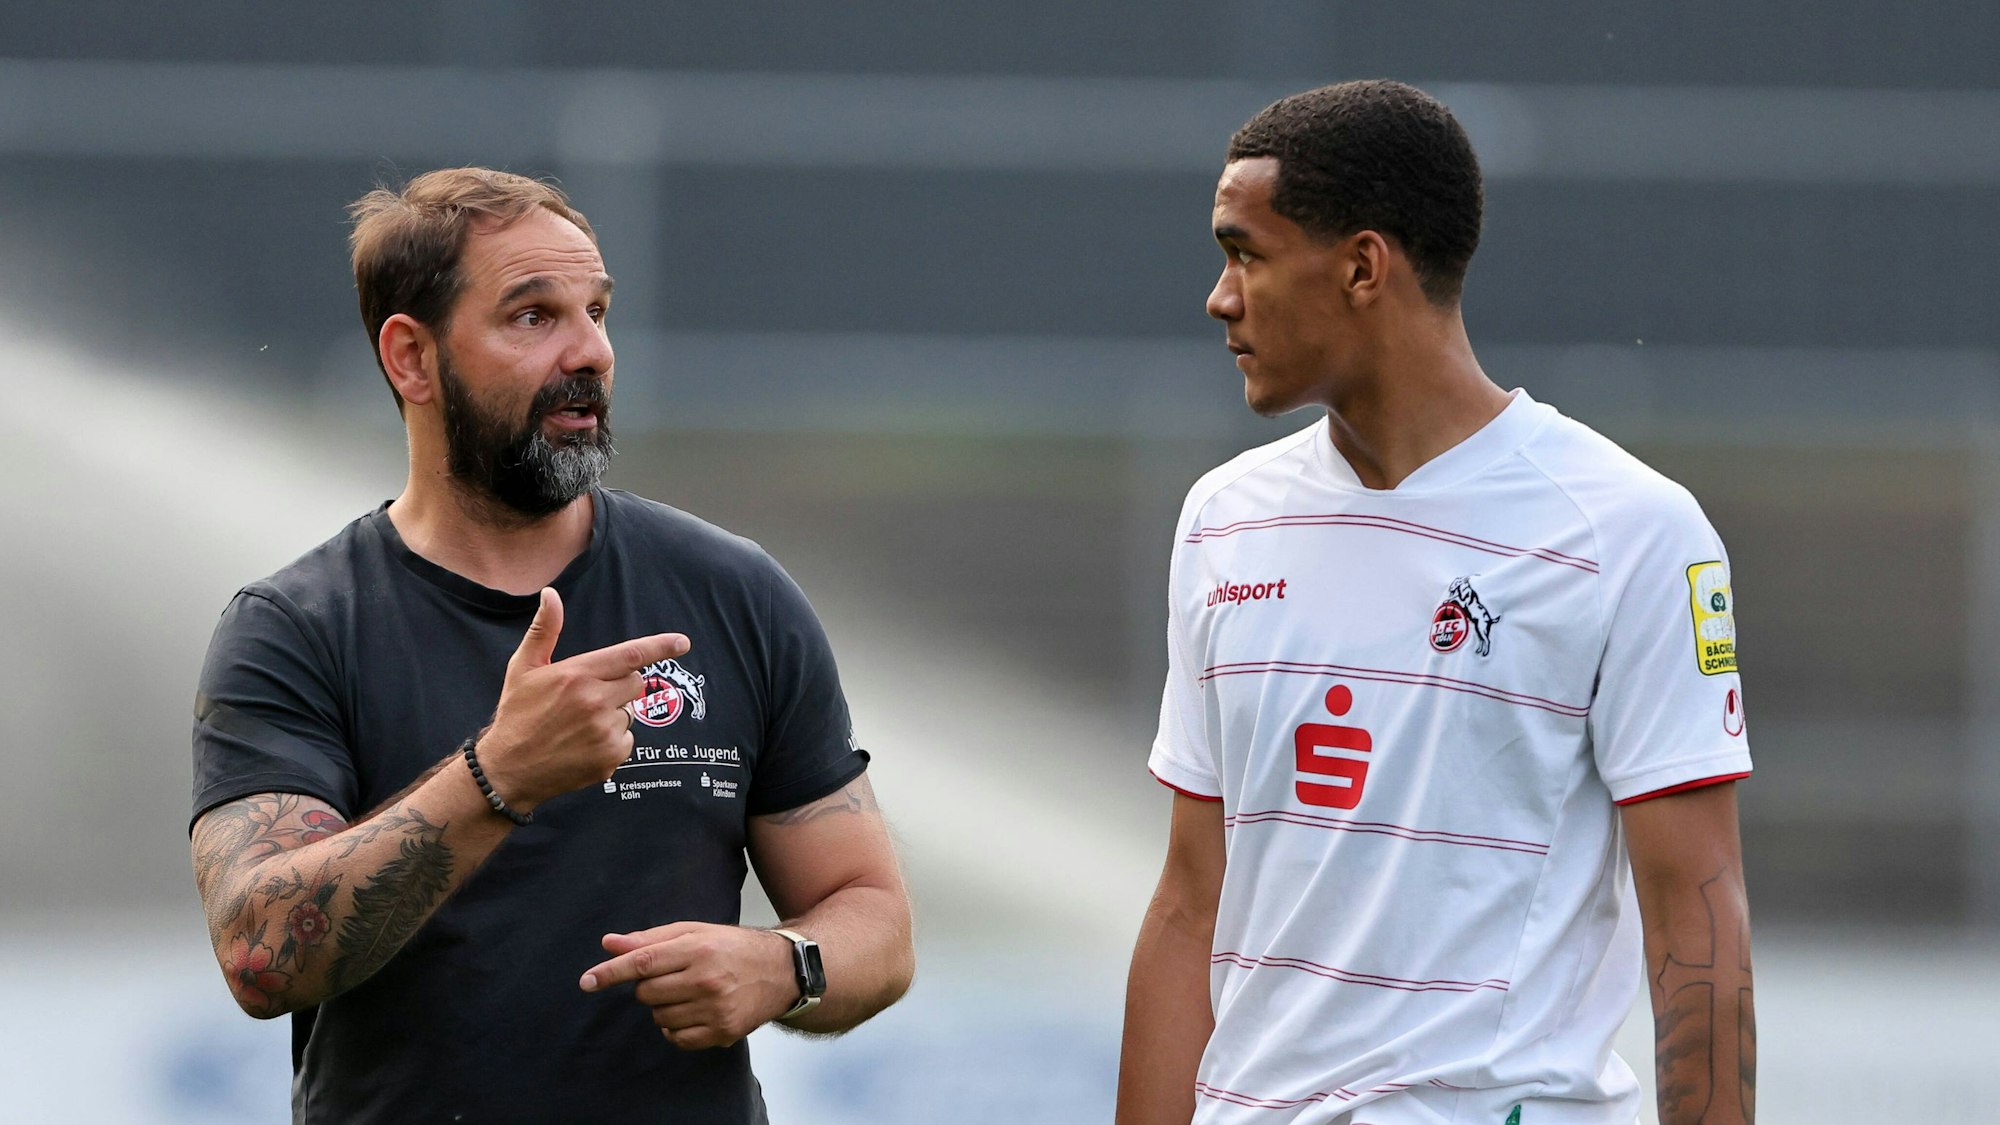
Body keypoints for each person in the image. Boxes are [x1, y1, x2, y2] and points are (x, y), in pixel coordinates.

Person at [189, 167, 914, 1123]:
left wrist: (786, 963)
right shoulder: (296, 628)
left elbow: (876, 916)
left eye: (598, 311)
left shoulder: (732, 592)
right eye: (533, 316)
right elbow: (259, 951)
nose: (591, 351)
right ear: (411, 358)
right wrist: (500, 775)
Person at [1117, 81, 1754, 1125]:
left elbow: (1696, 912)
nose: (1219, 297)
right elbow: (1192, 900)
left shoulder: (1628, 530)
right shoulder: (1222, 518)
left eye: (1246, 253)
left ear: (1362, 266)